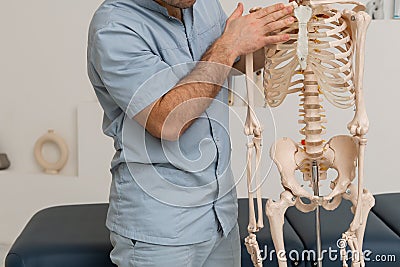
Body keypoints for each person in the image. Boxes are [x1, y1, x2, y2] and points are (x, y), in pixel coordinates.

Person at [87, 0, 294, 266]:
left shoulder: (202, 4)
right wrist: (230, 43)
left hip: (221, 215)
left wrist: (275, 34)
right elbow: (169, 122)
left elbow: (229, 63)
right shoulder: (114, 28)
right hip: (163, 230)